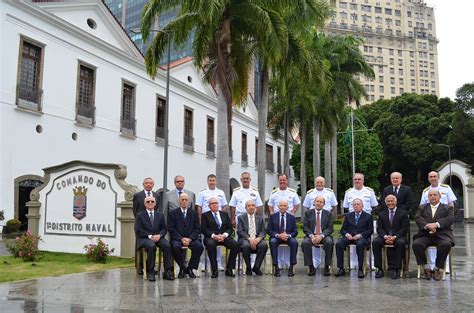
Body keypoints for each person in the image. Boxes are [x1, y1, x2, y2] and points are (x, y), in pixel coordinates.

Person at [413, 189, 455, 281]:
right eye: (430, 195)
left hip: (442, 235)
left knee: (445, 245)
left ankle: (437, 269)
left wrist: (436, 224)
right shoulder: (422, 207)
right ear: (428, 197)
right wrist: (427, 225)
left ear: (439, 197)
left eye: (434, 195)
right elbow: (418, 218)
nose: (432, 196)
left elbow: (450, 219)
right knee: (416, 244)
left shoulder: (447, 208)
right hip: (426, 235)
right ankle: (426, 268)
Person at [134, 196, 173, 281]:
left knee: (167, 246)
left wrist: (159, 235)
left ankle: (167, 271)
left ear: (155, 204)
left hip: (158, 237)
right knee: (151, 246)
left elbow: (164, 229)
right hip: (145, 238)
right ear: (145, 204)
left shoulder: (160, 215)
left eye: (152, 201)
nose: (150, 203)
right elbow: (138, 229)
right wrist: (149, 236)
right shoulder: (140, 215)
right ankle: (151, 271)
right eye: (148, 202)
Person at [201, 197, 240, 278]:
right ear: (209, 206)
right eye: (212, 203)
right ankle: (214, 270)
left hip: (224, 237)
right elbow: (203, 229)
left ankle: (229, 268)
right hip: (211, 237)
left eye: (216, 203)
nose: (215, 205)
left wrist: (224, 235)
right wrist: (214, 236)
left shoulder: (224, 214)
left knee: (235, 245)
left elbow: (230, 228)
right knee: (211, 245)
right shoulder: (205, 215)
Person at [372, 195, 409, 279]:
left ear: (396, 202)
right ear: (386, 203)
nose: (390, 203)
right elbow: (380, 228)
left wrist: (395, 237)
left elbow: (405, 228)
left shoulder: (403, 213)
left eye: (392, 201)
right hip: (385, 236)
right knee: (375, 242)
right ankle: (379, 269)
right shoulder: (382, 214)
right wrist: (385, 237)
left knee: (401, 243)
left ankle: (396, 269)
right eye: (388, 201)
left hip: (399, 236)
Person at [335, 198, 374, 278]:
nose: (356, 206)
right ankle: (341, 268)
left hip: (361, 237)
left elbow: (370, 230)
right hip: (350, 237)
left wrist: (360, 235)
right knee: (339, 244)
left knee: (360, 244)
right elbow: (343, 229)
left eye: (358, 204)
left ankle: (360, 269)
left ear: (362, 206)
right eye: (354, 204)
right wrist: (346, 234)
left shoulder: (368, 216)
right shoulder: (348, 215)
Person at [167, 193, 203, 279]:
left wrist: (190, 238)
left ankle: (190, 268)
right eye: (182, 200)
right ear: (179, 201)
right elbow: (171, 228)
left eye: (186, 200)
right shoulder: (173, 213)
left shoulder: (194, 213)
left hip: (191, 238)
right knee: (175, 247)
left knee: (199, 246)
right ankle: (182, 267)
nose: (184, 201)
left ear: (188, 201)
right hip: (178, 239)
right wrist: (181, 238)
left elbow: (197, 228)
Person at [196, 174, 228, 270]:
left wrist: (224, 221)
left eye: (213, 180)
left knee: (218, 241)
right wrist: (200, 220)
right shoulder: (202, 193)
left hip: (218, 221)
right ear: (207, 181)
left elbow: (224, 206)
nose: (212, 182)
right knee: (203, 242)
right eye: (210, 180)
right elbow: (199, 207)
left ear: (216, 181)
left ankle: (218, 263)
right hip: (207, 221)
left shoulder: (221, 192)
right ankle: (202, 263)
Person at [132, 177, 160, 275]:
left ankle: (149, 266)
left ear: (153, 184)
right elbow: (135, 211)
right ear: (143, 184)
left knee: (152, 246)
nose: (148, 184)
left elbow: (157, 210)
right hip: (142, 227)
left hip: (154, 227)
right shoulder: (137, 196)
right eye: (146, 183)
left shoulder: (156, 195)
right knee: (139, 247)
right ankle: (139, 267)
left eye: (150, 183)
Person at [301, 196, 334, 276]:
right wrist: (312, 236)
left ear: (324, 204)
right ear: (314, 203)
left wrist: (321, 236)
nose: (318, 203)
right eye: (317, 201)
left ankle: (327, 266)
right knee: (305, 243)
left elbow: (330, 228)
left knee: (329, 242)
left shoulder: (328, 214)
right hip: (312, 235)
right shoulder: (308, 213)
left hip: (324, 236)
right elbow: (305, 226)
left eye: (321, 202)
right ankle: (311, 266)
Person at [268, 200, 298, 277]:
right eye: (281, 205)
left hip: (287, 237)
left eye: (284, 206)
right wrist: (278, 235)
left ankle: (291, 266)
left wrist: (288, 235)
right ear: (278, 207)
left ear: (287, 207)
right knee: (272, 242)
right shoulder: (272, 216)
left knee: (294, 242)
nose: (282, 207)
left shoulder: (291, 217)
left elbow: (295, 231)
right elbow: (269, 230)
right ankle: (276, 267)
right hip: (277, 237)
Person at [237, 200, 268, 276]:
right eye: (249, 206)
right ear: (245, 208)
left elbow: (263, 231)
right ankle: (248, 267)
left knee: (264, 245)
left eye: (253, 205)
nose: (251, 207)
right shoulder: (241, 218)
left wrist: (258, 239)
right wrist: (249, 239)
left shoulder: (260, 218)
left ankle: (256, 267)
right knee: (245, 245)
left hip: (257, 239)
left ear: (255, 207)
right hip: (245, 239)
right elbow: (240, 231)